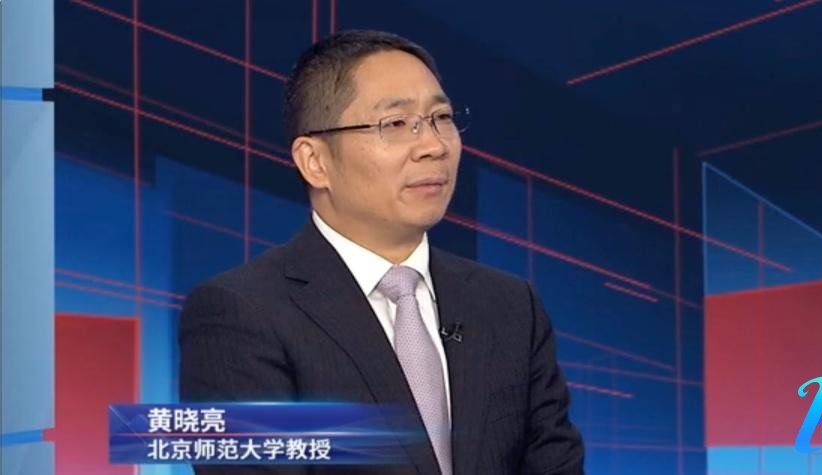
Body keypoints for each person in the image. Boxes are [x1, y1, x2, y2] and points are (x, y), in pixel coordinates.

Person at [179, 30, 584, 474]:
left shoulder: (510, 306)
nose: (433, 146)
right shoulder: (241, 313)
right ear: (315, 161)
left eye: (441, 117)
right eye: (394, 124)